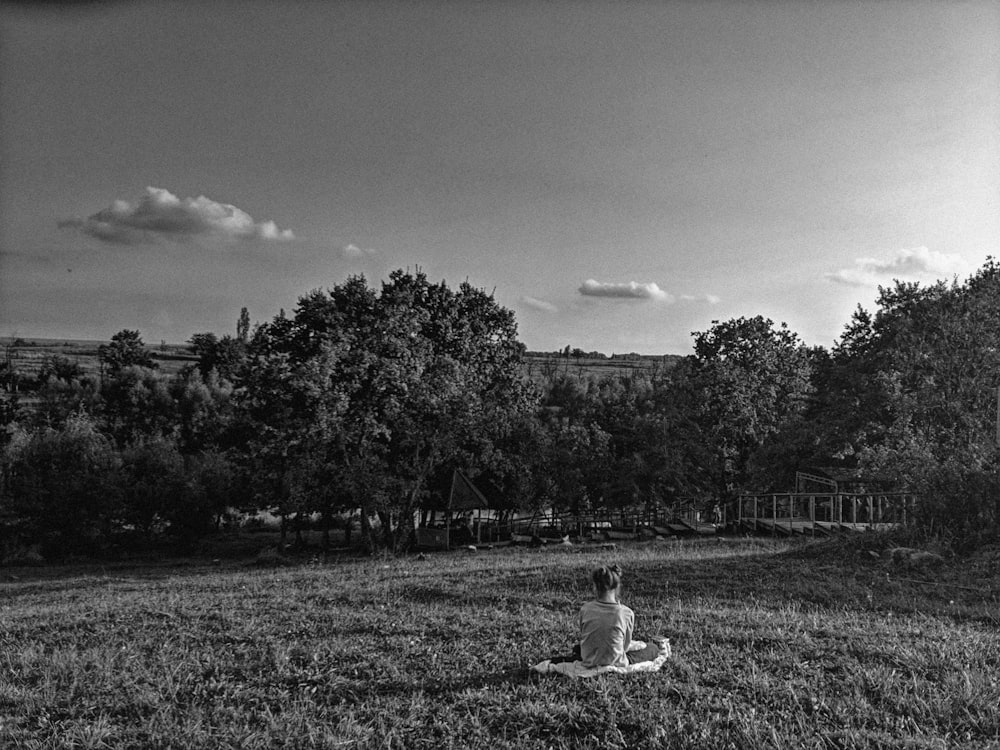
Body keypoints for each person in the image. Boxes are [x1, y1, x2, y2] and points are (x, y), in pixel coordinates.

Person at [552, 563, 665, 667]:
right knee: (653, 648)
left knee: (578, 648)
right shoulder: (626, 612)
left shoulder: (585, 609)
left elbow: (585, 636)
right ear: (617, 587)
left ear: (595, 587)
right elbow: (625, 646)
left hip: (588, 659)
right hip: (616, 660)